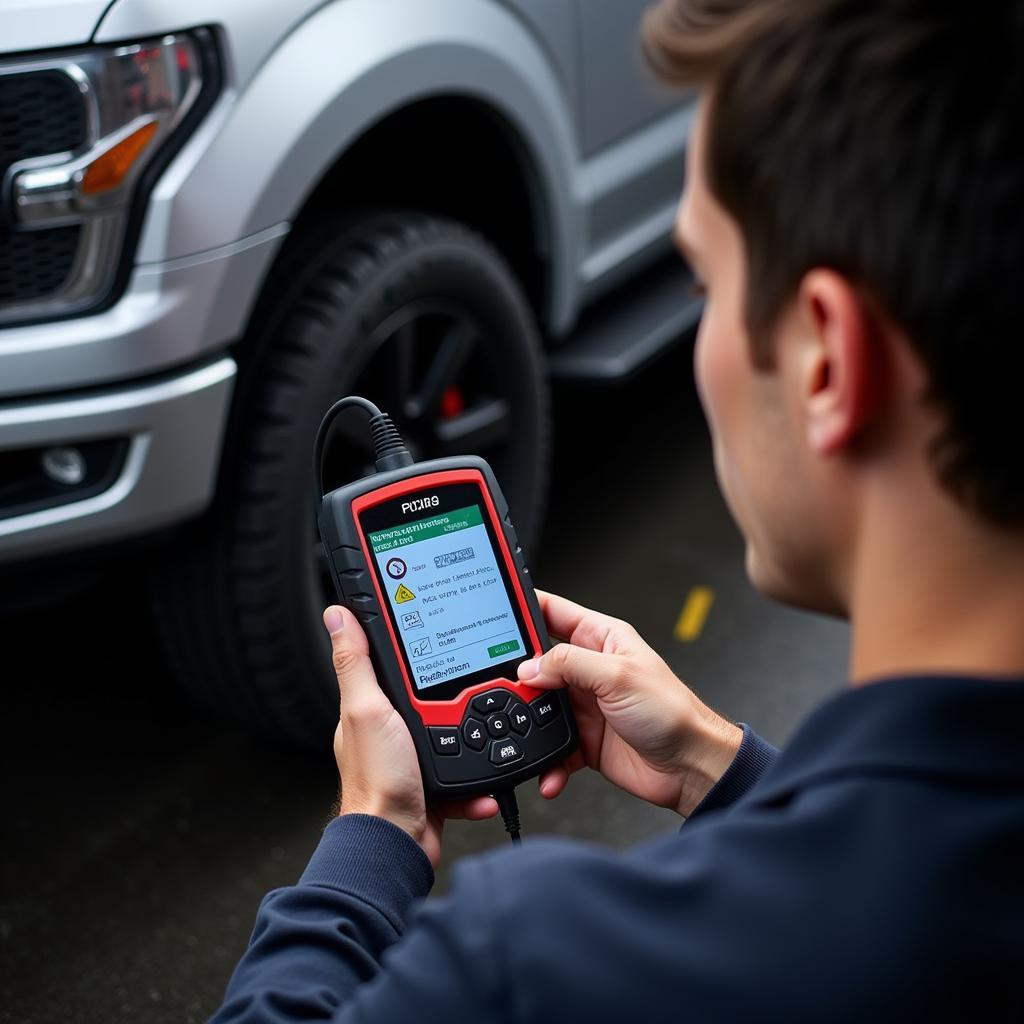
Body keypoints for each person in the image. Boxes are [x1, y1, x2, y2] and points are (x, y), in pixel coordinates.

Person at [211, 1, 1024, 1019]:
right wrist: (722, 771)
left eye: (703, 282)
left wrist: (371, 838)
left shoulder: (539, 967)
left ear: (825, 359)